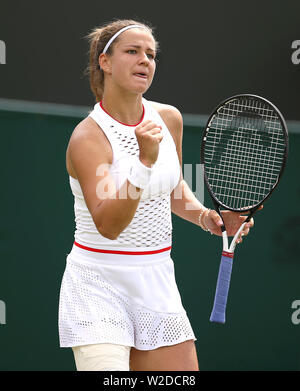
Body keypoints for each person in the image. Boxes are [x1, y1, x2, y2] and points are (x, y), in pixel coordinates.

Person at [58, 19, 255, 371]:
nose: (145, 60)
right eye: (132, 52)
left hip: (157, 281)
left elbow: (173, 189)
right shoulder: (88, 138)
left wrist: (207, 217)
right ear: (105, 62)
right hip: (97, 286)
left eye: (151, 54)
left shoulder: (168, 118)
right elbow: (109, 225)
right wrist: (143, 162)